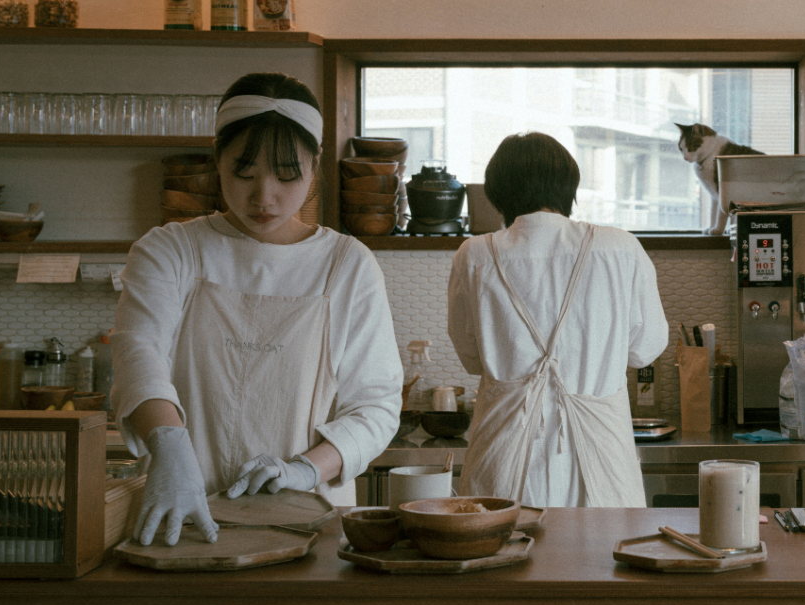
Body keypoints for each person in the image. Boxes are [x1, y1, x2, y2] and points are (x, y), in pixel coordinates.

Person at [112, 72, 403, 546]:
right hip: (181, 520)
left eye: (287, 176)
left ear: (314, 167)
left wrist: (306, 469)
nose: (263, 196)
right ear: (217, 163)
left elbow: (376, 405)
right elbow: (137, 351)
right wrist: (168, 445)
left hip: (309, 523)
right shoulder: (172, 249)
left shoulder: (346, 264)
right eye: (243, 174)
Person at [448, 132, 668, 508]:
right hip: (602, 466)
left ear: (499, 193)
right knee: (601, 562)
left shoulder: (474, 255)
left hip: (504, 463)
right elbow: (645, 349)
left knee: (502, 557)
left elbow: (472, 358)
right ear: (569, 187)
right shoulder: (620, 247)